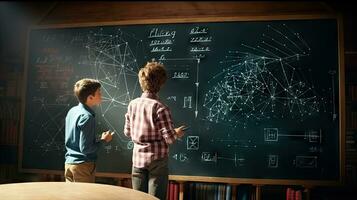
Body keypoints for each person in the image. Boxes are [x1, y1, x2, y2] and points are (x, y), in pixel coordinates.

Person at [124, 61, 186, 200]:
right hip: (157, 160)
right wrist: (176, 132)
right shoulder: (160, 108)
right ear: (161, 84)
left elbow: (127, 132)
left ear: (141, 82)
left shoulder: (132, 104)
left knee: (139, 197)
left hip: (138, 158)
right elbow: (169, 138)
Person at [64, 78, 113, 183]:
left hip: (69, 164)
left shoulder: (72, 111)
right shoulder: (87, 117)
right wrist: (104, 140)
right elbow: (85, 149)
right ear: (90, 98)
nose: (101, 95)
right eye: (99, 93)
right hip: (82, 167)